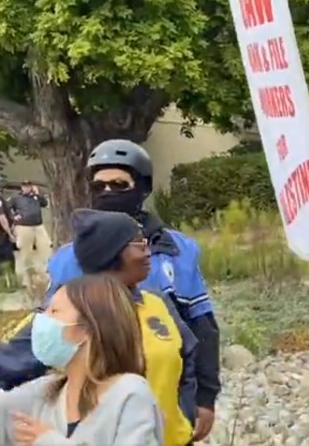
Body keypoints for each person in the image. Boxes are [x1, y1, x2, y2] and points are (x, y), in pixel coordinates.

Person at [42, 139, 219, 441]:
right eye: (100, 187)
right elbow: (47, 338)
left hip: (167, 409)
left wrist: (205, 398)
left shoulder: (178, 251)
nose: (108, 193)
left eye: (119, 185)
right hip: (95, 417)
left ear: (142, 188)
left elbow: (202, 328)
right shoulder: (68, 259)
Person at [0, 210, 198, 446]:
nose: (148, 251)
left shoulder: (157, 303)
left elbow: (188, 357)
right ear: (112, 253)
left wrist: (190, 412)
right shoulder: (66, 314)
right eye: (138, 243)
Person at [0, 274, 163, 445]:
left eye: (54, 311)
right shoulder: (44, 394)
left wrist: (48, 441)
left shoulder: (129, 395)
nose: (41, 321)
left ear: (87, 328)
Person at [9, 180, 53, 287]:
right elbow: (6, 208)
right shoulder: (16, 198)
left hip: (38, 225)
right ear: (21, 187)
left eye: (29, 186)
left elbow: (45, 203)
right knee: (26, 253)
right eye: (25, 186)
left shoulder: (35, 197)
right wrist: (13, 217)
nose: (27, 188)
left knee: (46, 248)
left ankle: (47, 276)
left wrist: (38, 194)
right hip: (24, 226)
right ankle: (27, 280)